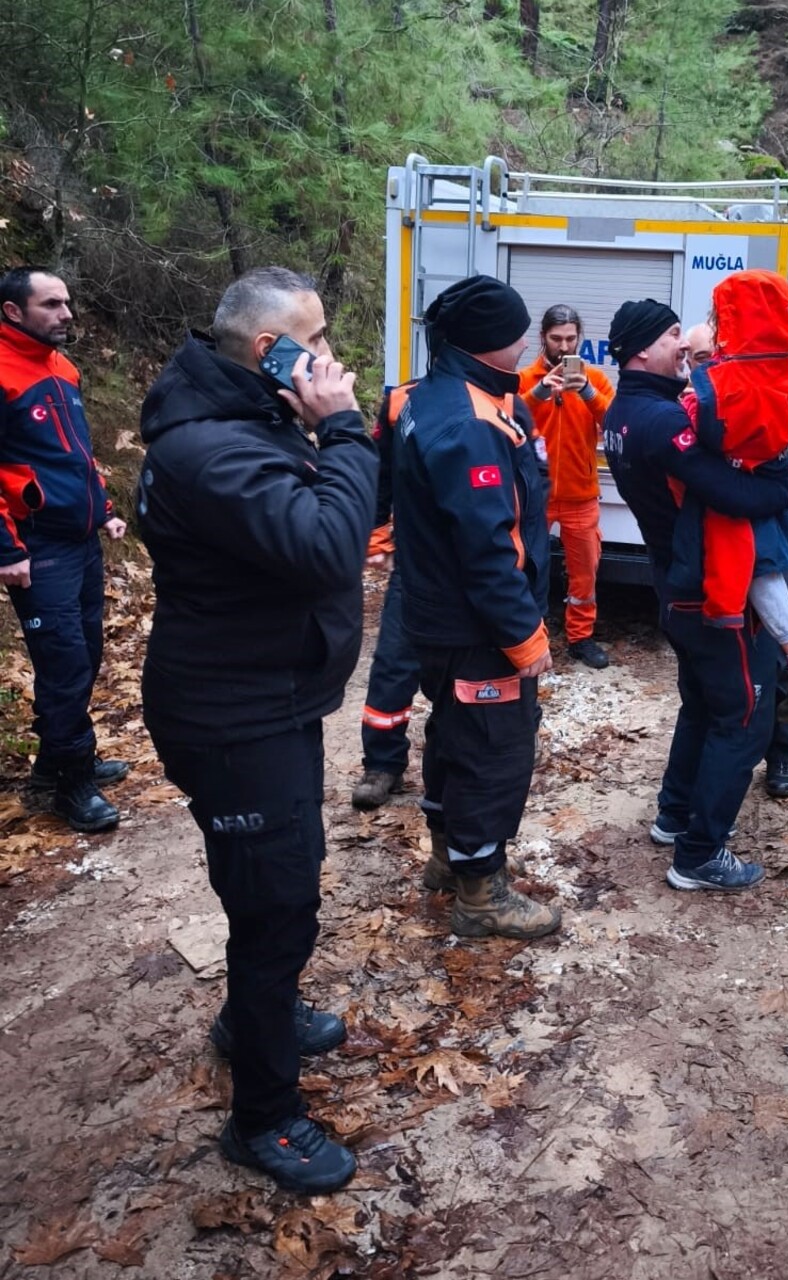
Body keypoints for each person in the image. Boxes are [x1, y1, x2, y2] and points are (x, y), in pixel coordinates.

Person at [138, 267, 377, 1194]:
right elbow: (325, 544)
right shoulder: (210, 450)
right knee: (277, 908)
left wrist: (330, 434)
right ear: (267, 348)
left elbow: (332, 512)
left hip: (272, 699)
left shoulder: (251, 418)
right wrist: (346, 428)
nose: (329, 355)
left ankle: (252, 1018)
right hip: (233, 715)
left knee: (277, 883)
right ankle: (264, 1118)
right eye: (313, 339)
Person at [603, 299, 788, 891]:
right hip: (710, 590)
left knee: (703, 703)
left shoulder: (625, 411)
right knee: (743, 717)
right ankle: (700, 853)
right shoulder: (664, 421)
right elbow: (735, 495)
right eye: (671, 337)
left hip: (674, 583)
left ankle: (673, 814)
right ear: (642, 350)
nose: (682, 348)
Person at [395, 274, 560, 940]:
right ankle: (480, 891)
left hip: (441, 619)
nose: (527, 340)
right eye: (520, 328)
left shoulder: (440, 397)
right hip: (476, 627)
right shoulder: (470, 422)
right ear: (499, 339)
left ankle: (448, 856)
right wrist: (524, 636)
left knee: (454, 734)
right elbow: (488, 549)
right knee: (495, 751)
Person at [670, 270, 788, 721]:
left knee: (757, 570)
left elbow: (712, 430)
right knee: (786, 553)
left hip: (744, 505)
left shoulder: (728, 385)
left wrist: (690, 401)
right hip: (778, 497)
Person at [0, 268, 128, 833]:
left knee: (86, 655)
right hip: (36, 545)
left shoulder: (64, 368)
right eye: (51, 305)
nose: (67, 313)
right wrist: (7, 548)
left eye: (68, 303)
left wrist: (103, 509)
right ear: (13, 312)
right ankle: (70, 787)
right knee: (64, 666)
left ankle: (58, 764)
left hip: (80, 541)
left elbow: (76, 454)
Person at [518, 304, 615, 670]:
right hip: (534, 497)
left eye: (570, 338)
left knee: (585, 571)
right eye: (556, 338)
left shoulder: (595, 379)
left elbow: (616, 421)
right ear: (543, 338)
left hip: (581, 495)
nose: (563, 346)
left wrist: (587, 391)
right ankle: (530, 636)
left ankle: (581, 638)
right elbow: (507, 417)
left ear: (580, 338)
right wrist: (541, 392)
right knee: (527, 567)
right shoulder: (526, 379)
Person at [350, 380, 423, 810]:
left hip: (475, 563)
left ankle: (463, 766)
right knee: (395, 661)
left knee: (471, 671)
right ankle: (382, 763)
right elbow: (381, 475)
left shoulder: (505, 397)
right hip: (415, 560)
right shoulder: (401, 400)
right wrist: (377, 539)